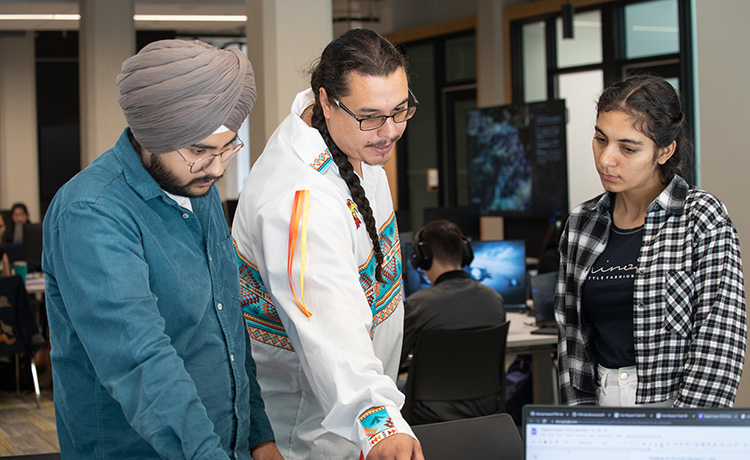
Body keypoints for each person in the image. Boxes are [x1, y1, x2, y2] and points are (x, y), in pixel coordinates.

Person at [42, 40, 282, 459]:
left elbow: (228, 330)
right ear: (151, 136)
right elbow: (141, 360)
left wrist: (258, 436)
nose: (218, 168)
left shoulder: (196, 187)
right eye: (200, 151)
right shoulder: (91, 213)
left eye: (228, 147)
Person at [232, 29, 423, 459]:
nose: (389, 131)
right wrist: (380, 423)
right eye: (372, 115)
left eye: (400, 110)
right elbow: (332, 331)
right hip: (309, 428)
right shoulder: (299, 202)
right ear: (325, 101)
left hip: (352, 409)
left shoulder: (355, 140)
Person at [556, 74, 746, 408]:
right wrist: (579, 419)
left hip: (675, 408)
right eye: (601, 139)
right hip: (599, 407)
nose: (606, 159)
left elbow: (719, 342)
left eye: (628, 148)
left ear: (665, 150)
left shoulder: (700, 218)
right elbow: (571, 338)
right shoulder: (582, 224)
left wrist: (683, 431)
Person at [400, 219, 506, 424]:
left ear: (423, 257)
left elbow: (392, 358)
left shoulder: (418, 305)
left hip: (427, 415)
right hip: (485, 411)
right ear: (466, 254)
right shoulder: (495, 300)